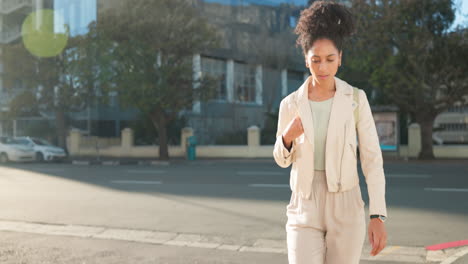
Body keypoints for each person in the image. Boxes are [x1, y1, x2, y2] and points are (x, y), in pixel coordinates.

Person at [272, 1, 388, 263]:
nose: (322, 67)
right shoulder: (290, 104)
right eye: (315, 60)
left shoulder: (356, 99)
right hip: (304, 204)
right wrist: (288, 137)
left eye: (329, 59)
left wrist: (377, 215)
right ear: (306, 59)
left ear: (340, 58)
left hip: (346, 205)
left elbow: (372, 160)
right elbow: (281, 159)